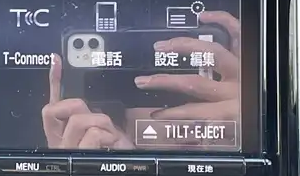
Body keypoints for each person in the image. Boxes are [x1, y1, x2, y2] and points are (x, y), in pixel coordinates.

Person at [41, 10, 241, 150]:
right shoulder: (106, 141)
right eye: (163, 94)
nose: (190, 124)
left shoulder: (246, 122)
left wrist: (256, 129)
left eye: (207, 90)